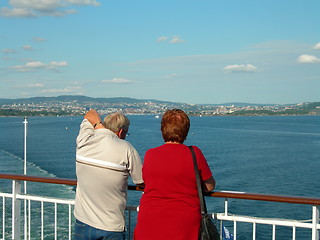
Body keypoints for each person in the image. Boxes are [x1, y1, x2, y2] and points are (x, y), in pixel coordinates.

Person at [134, 109, 216, 240]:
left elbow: (148, 181)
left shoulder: (150, 154)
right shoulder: (194, 153)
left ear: (163, 130)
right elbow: (210, 185)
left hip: (150, 218)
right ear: (185, 131)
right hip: (183, 221)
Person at [74, 109, 144, 240]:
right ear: (121, 132)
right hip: (111, 226)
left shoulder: (84, 140)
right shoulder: (126, 149)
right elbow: (141, 181)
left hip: (82, 222)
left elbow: (90, 113)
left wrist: (99, 127)